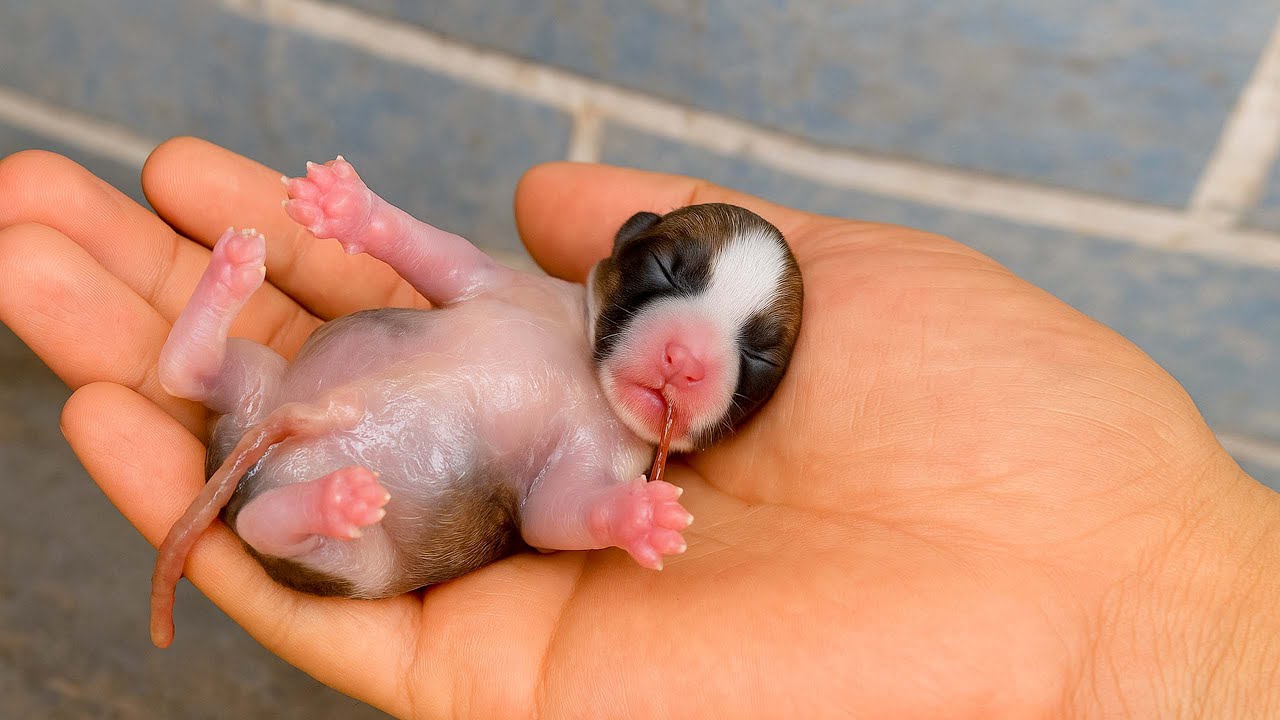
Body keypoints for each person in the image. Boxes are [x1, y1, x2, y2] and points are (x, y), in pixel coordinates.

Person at [0, 138, 1276, 718]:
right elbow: (438, 260)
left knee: (339, 540)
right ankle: (208, 363)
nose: (687, 357)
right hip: (291, 399)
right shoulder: (533, 299)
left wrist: (611, 517)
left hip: (352, 495)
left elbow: (550, 520)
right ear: (620, 259)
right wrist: (368, 221)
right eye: (673, 290)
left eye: (747, 354)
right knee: (236, 394)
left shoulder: (611, 456)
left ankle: (285, 508)